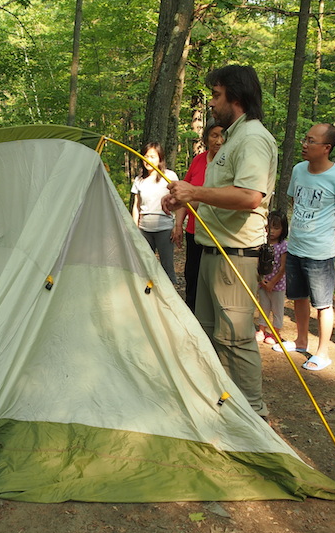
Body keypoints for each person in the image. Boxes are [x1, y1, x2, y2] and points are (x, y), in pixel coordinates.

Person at [162, 65, 277, 418]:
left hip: (235, 256)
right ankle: (225, 408)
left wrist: (195, 190)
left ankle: (254, 416)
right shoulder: (231, 139)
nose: (211, 103)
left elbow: (249, 196)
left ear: (235, 96)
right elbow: (222, 193)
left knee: (237, 339)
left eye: (216, 95)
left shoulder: (253, 138)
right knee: (211, 334)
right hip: (212, 252)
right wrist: (188, 200)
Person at [273, 123, 335, 372]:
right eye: (304, 139)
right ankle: (300, 341)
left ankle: (322, 352)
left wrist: (328, 236)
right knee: (298, 297)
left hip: (320, 253)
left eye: (311, 141)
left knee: (323, 304)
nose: (304, 145)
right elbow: (296, 201)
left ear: (326, 148)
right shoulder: (299, 170)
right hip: (295, 247)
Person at [173, 120, 224, 310]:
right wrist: (179, 224)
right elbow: (184, 195)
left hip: (217, 233)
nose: (219, 141)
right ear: (206, 138)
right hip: (194, 231)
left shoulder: (228, 163)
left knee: (214, 282)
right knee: (192, 276)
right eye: (214, 135)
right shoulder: (198, 160)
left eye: (222, 136)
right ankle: (192, 319)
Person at [130, 142, 179, 284]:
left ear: (160, 158)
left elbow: (178, 201)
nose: (149, 160)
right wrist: (135, 228)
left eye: (153, 156)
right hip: (144, 229)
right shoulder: (139, 180)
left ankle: (171, 299)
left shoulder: (169, 176)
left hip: (164, 228)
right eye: (146, 156)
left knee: (166, 266)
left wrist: (176, 226)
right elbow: (136, 206)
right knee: (145, 266)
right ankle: (148, 297)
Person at [256, 211, 288, 344]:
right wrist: (261, 279)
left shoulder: (283, 246)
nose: (272, 231)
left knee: (277, 309)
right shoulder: (262, 243)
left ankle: (276, 333)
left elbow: (282, 268)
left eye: (276, 228)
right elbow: (257, 263)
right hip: (263, 283)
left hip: (278, 286)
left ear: (283, 229)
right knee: (263, 307)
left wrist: (272, 283)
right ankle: (261, 330)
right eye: (269, 228)